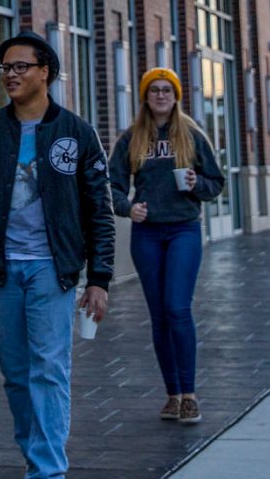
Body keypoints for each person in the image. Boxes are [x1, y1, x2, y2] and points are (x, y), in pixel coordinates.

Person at [0, 31, 115, 478]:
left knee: (49, 371)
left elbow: (100, 208)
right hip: (1, 273)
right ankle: (35, 456)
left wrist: (99, 277)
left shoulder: (75, 132)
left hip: (51, 271)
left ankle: (48, 471)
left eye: (21, 66)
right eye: (5, 67)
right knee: (18, 375)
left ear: (46, 72)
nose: (11, 75)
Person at [108, 67, 224, 424]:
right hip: (147, 236)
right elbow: (110, 188)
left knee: (177, 308)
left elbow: (216, 182)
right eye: (154, 90)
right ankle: (171, 395)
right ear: (145, 96)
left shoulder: (191, 134)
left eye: (167, 90)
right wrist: (129, 207)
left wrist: (194, 184)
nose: (160, 95)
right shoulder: (131, 139)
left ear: (176, 96)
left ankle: (189, 395)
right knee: (159, 315)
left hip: (183, 231)